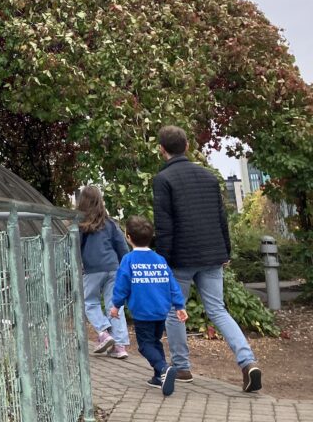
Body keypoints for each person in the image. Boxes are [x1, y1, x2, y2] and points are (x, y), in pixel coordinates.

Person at [153, 125, 262, 393]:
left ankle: (182, 367)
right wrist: (225, 251)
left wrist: (162, 261)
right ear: (187, 146)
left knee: (174, 311)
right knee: (218, 310)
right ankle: (248, 362)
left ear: (161, 149)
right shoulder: (209, 177)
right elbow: (221, 218)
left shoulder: (163, 180)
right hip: (213, 254)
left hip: (180, 257)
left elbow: (164, 227)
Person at [109, 215, 188, 396]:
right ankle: (158, 377)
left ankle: (163, 368)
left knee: (145, 345)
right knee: (155, 341)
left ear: (128, 236)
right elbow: (172, 284)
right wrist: (179, 306)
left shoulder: (128, 260)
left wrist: (116, 305)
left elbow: (122, 285)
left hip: (143, 312)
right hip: (161, 310)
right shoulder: (160, 259)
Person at [78, 185, 130, 358]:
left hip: (92, 269)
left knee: (89, 302)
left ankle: (103, 333)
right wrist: (125, 266)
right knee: (114, 305)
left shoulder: (81, 225)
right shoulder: (110, 223)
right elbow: (122, 246)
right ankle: (120, 346)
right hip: (113, 268)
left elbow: (75, 248)